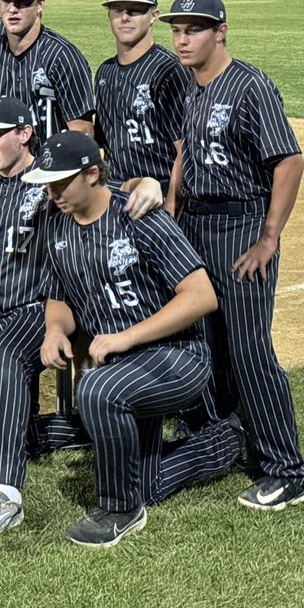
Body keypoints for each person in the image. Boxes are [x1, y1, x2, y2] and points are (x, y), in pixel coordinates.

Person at [0, 98, 164, 539]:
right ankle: (94, 428)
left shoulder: (50, 179)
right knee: (17, 430)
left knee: (8, 358)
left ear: (25, 134)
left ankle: (5, 496)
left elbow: (112, 187)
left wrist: (150, 182)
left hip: (39, 310)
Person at [26, 131, 243, 547]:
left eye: (60, 182)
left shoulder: (138, 214)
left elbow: (201, 297)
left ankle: (120, 510)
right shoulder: (56, 223)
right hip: (127, 366)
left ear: (92, 174)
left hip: (178, 357)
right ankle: (229, 437)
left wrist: (125, 337)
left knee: (96, 388)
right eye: (47, 183)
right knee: (149, 483)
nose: (52, 193)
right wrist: (54, 329)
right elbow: (59, 296)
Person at [164, 0, 304, 511]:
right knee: (204, 341)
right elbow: (184, 155)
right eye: (177, 29)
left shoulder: (249, 85)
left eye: (195, 28)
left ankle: (287, 470)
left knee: (249, 350)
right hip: (198, 224)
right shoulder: (189, 86)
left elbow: (288, 162)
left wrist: (269, 236)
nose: (183, 38)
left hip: (242, 224)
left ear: (220, 31)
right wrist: (174, 213)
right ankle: (219, 436)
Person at [93, 0, 190, 198]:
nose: (125, 18)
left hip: (159, 197)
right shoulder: (104, 72)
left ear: (154, 15)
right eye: (117, 9)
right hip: (116, 196)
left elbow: (185, 151)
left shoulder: (169, 70)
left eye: (135, 10)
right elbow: (106, 145)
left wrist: (171, 210)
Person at [0, 0, 94, 138]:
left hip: (49, 162)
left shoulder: (62, 55)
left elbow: (82, 131)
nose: (13, 9)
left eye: (23, 1)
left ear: (40, 5)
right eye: (6, 0)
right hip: (2, 162)